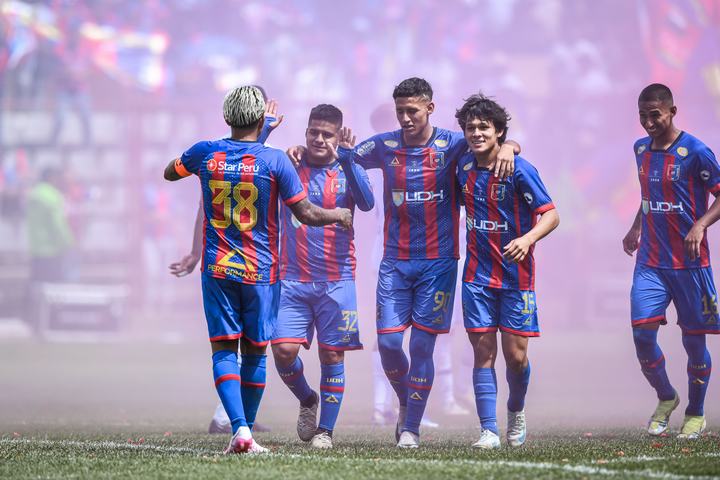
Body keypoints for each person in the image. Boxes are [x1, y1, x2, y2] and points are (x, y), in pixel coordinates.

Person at [290, 77, 519, 448]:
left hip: (438, 264)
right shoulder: (384, 145)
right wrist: (301, 150)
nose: (406, 118)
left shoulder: (453, 144)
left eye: (412, 110)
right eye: (400, 111)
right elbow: (335, 155)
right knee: (390, 345)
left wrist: (510, 145)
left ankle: (410, 428)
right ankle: (405, 401)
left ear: (430, 107)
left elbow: (489, 142)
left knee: (422, 348)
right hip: (394, 263)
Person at [163, 85, 351, 454]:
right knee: (254, 353)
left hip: (218, 269)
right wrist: (338, 214)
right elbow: (306, 213)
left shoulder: (205, 152)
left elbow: (171, 172)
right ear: (261, 118)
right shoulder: (275, 160)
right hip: (260, 272)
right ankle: (245, 432)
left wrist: (193, 163)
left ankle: (240, 430)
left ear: (226, 116)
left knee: (223, 351)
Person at [456, 94, 559, 449]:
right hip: (476, 277)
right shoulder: (462, 165)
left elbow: (552, 215)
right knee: (483, 354)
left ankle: (516, 410)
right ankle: (488, 430)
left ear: (499, 131)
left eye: (484, 127)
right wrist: (511, 144)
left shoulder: (520, 169)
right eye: (470, 128)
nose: (476, 133)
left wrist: (527, 239)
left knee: (516, 358)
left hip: (516, 278)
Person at [271, 104, 374, 449]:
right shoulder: (290, 165)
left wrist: (348, 159)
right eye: (313, 132)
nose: (318, 139)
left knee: (332, 356)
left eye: (327, 134)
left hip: (337, 279)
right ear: (305, 132)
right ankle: (307, 398)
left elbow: (368, 203)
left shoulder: (348, 166)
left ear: (338, 136)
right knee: (283, 351)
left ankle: (325, 431)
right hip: (292, 279)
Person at [623, 83, 720, 439]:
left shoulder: (696, 152)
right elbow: (650, 195)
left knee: (694, 343)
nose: (648, 122)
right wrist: (636, 226)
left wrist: (700, 225)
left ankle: (695, 412)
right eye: (643, 116)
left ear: (672, 112)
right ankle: (666, 397)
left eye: (655, 115)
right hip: (651, 261)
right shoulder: (640, 149)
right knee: (642, 336)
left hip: (690, 264)